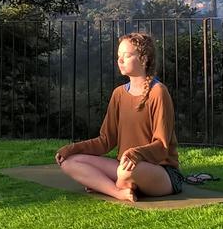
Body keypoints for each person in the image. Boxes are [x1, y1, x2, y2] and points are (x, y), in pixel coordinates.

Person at [55, 32, 185, 202]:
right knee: (70, 162)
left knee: (125, 172)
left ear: (144, 59)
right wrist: (72, 149)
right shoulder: (118, 94)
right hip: (126, 164)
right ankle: (119, 192)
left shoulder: (158, 92)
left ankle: (105, 184)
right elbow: (105, 141)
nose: (120, 60)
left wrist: (135, 154)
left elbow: (162, 146)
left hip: (162, 173)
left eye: (127, 55)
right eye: (118, 56)